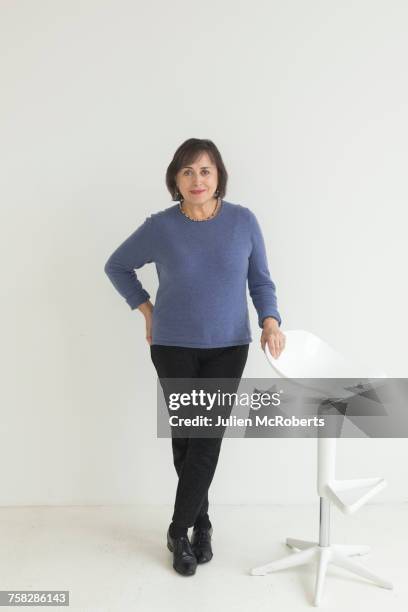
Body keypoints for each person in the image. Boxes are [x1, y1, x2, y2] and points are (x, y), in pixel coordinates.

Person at [104, 137, 286, 576]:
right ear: (175, 179)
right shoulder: (160, 226)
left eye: (205, 170)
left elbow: (260, 280)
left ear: (219, 175)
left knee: (205, 440)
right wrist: (145, 308)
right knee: (187, 443)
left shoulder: (243, 221)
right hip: (172, 347)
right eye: (187, 171)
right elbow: (117, 265)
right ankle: (200, 524)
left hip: (228, 347)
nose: (197, 179)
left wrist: (270, 320)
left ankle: (177, 529)